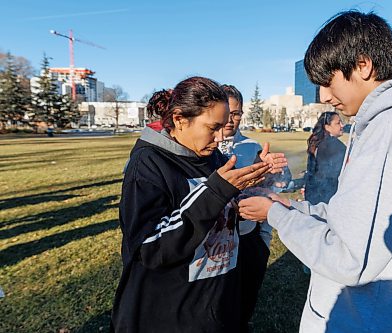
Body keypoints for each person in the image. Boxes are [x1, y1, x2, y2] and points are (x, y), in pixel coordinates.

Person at [239, 11, 392, 332]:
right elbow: (353, 218)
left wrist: (277, 216)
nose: (324, 96)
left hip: (365, 320)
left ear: (363, 65)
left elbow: (352, 257)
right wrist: (291, 208)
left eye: (329, 81)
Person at [111, 76, 286, 333]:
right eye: (212, 127)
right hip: (169, 314)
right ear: (181, 119)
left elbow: (219, 214)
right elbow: (149, 248)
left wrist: (247, 195)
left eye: (224, 126)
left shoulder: (213, 156)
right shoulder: (148, 164)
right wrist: (216, 192)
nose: (220, 137)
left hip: (216, 307)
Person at [218, 84, 287, 331]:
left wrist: (269, 171)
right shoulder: (202, 144)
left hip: (248, 235)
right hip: (214, 240)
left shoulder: (251, 146)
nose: (230, 120)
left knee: (246, 296)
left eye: (236, 114)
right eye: (226, 112)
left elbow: (273, 186)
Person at [304, 111, 346, 205]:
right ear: (327, 127)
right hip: (329, 195)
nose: (342, 125)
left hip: (312, 194)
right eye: (338, 123)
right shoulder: (334, 145)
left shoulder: (317, 143)